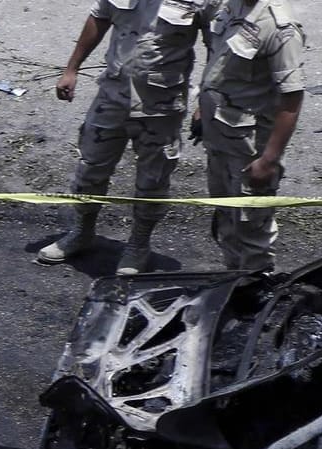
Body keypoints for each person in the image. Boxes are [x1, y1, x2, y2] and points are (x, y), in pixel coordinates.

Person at [40, 0, 213, 275]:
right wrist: (71, 68)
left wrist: (206, 102)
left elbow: (217, 46)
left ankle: (138, 246)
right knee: (90, 169)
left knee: (152, 181)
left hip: (162, 105)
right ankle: (82, 232)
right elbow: (99, 18)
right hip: (112, 96)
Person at [194, 0, 306, 271]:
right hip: (219, 137)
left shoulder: (281, 27)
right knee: (226, 218)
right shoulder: (228, 6)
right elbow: (218, 56)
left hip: (249, 151)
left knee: (253, 229)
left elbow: (291, 99)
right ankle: (235, 280)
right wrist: (201, 107)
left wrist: (269, 160)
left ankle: (256, 293)